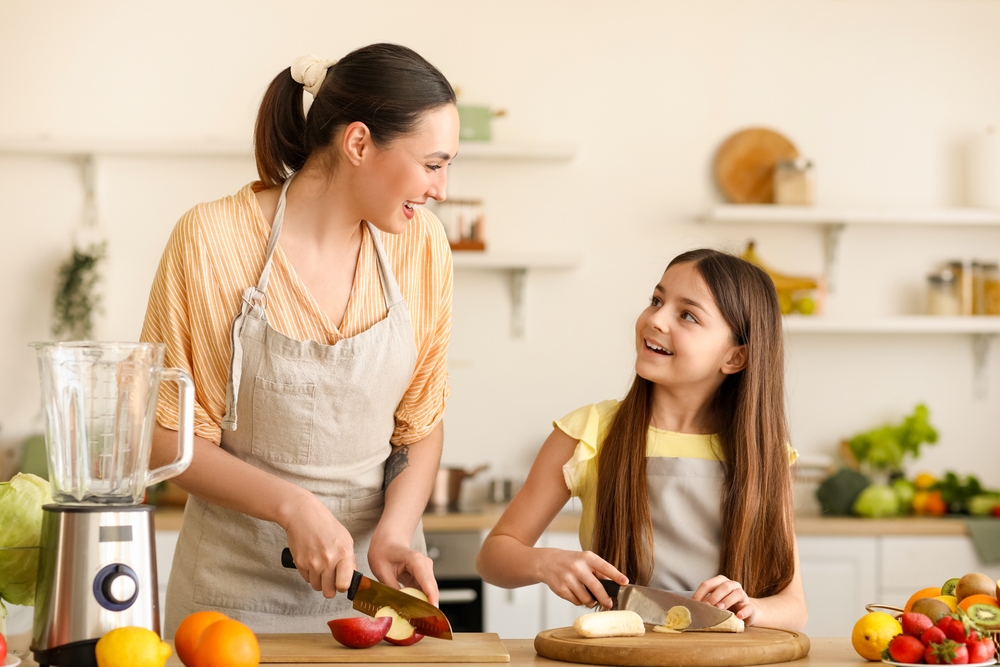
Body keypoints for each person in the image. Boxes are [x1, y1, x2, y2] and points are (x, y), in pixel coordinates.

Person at [140, 43, 459, 636]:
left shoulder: (422, 246)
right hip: (229, 602)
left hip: (376, 590)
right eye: (433, 164)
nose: (441, 188)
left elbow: (421, 423)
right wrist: (293, 507)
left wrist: (394, 529)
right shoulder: (212, 240)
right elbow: (167, 440)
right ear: (359, 143)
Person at [476, 249, 808, 631]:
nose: (655, 319)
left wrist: (752, 608)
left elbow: (794, 606)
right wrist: (545, 562)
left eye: (687, 315)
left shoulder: (766, 456)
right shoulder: (588, 433)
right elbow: (493, 555)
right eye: (656, 300)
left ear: (735, 357)